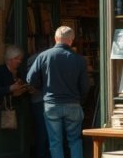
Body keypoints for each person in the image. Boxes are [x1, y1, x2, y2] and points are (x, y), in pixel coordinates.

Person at [26, 26, 89, 158]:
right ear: (71, 40)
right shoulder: (79, 59)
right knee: (75, 140)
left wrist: (42, 88)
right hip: (73, 104)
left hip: (51, 104)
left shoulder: (44, 56)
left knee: (55, 142)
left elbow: (30, 79)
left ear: (55, 39)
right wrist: (80, 100)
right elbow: (85, 86)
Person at [26, 43, 50, 158]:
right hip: (44, 99)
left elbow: (30, 79)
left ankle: (41, 154)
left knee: (41, 131)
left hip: (37, 100)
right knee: (48, 132)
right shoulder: (45, 57)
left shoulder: (33, 59)